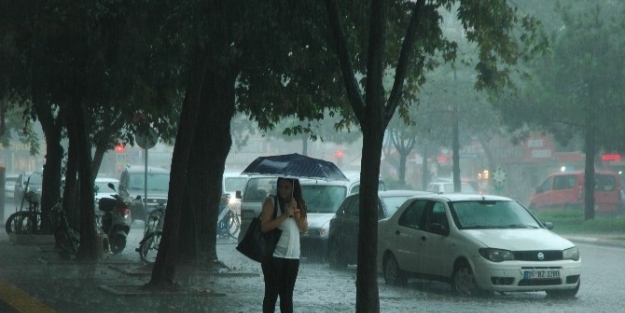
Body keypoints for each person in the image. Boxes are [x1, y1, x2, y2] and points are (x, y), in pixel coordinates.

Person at [260, 177, 308, 313]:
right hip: (274, 256)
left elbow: (304, 227)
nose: (283, 190)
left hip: (293, 257)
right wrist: (286, 214)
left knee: (287, 297)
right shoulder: (271, 202)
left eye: (286, 187)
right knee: (271, 294)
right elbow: (264, 227)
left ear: (293, 188)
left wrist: (296, 211)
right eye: (280, 186)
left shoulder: (297, 204)